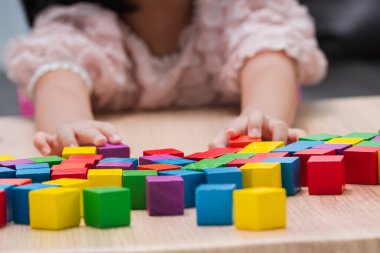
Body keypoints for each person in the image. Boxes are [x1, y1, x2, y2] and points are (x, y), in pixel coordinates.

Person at [4, 0, 327, 155]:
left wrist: (262, 117)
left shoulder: (240, 8)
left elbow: (269, 54)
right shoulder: (78, 23)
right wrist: (71, 125)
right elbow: (59, 78)